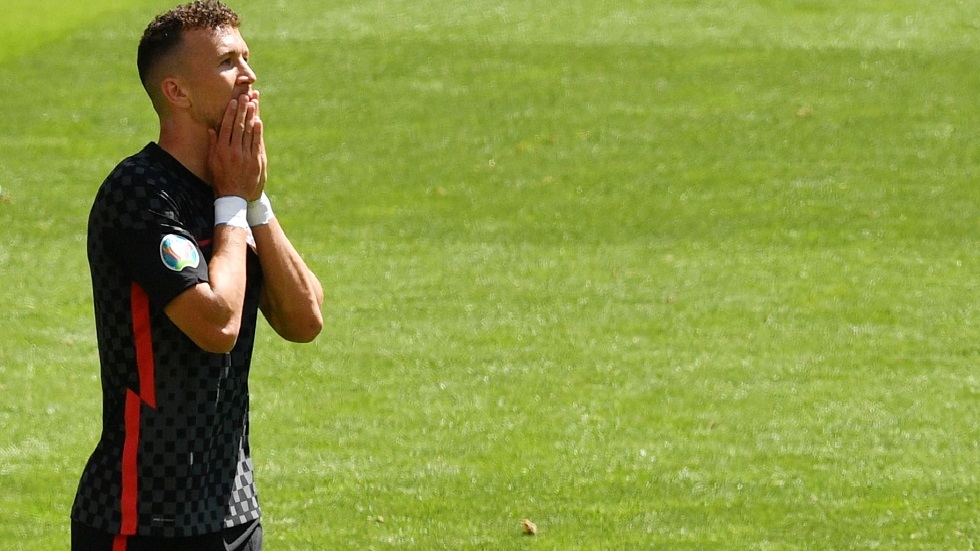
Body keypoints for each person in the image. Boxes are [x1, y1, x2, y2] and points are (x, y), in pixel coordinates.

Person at [71, 2, 324, 549]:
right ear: (177, 92)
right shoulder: (138, 193)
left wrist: (254, 202)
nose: (249, 75)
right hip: (142, 518)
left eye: (247, 58)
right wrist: (233, 201)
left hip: (234, 513)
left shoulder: (231, 191)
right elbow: (217, 324)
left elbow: (305, 320)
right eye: (228, 62)